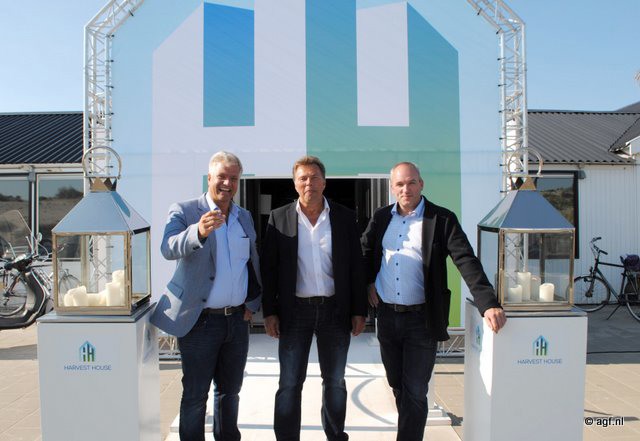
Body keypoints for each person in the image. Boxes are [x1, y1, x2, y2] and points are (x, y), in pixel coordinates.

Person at [361, 162, 506, 441]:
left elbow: (465, 259)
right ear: (392, 187)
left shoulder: (441, 218)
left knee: (416, 389)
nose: (406, 189)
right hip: (387, 317)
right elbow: (365, 253)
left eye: (411, 182)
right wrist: (368, 283)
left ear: (421, 184)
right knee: (398, 384)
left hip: (422, 320)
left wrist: (488, 302)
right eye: (400, 184)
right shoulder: (381, 217)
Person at [150, 151, 261, 441]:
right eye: (221, 176)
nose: (227, 183)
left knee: (230, 392)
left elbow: (251, 261)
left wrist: (252, 302)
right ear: (209, 177)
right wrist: (197, 231)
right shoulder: (185, 210)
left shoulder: (244, 216)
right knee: (196, 395)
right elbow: (168, 247)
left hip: (236, 321)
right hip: (200, 322)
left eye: (233, 178)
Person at [261, 155, 367, 441]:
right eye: (303, 178)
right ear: (295, 184)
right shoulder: (279, 217)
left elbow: (356, 266)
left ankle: (335, 435)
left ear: (325, 182)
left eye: (314, 177)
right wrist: (269, 312)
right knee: (289, 382)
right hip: (294, 312)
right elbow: (269, 269)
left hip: (335, 311)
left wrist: (359, 309)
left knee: (335, 381)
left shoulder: (344, 217)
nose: (309, 183)